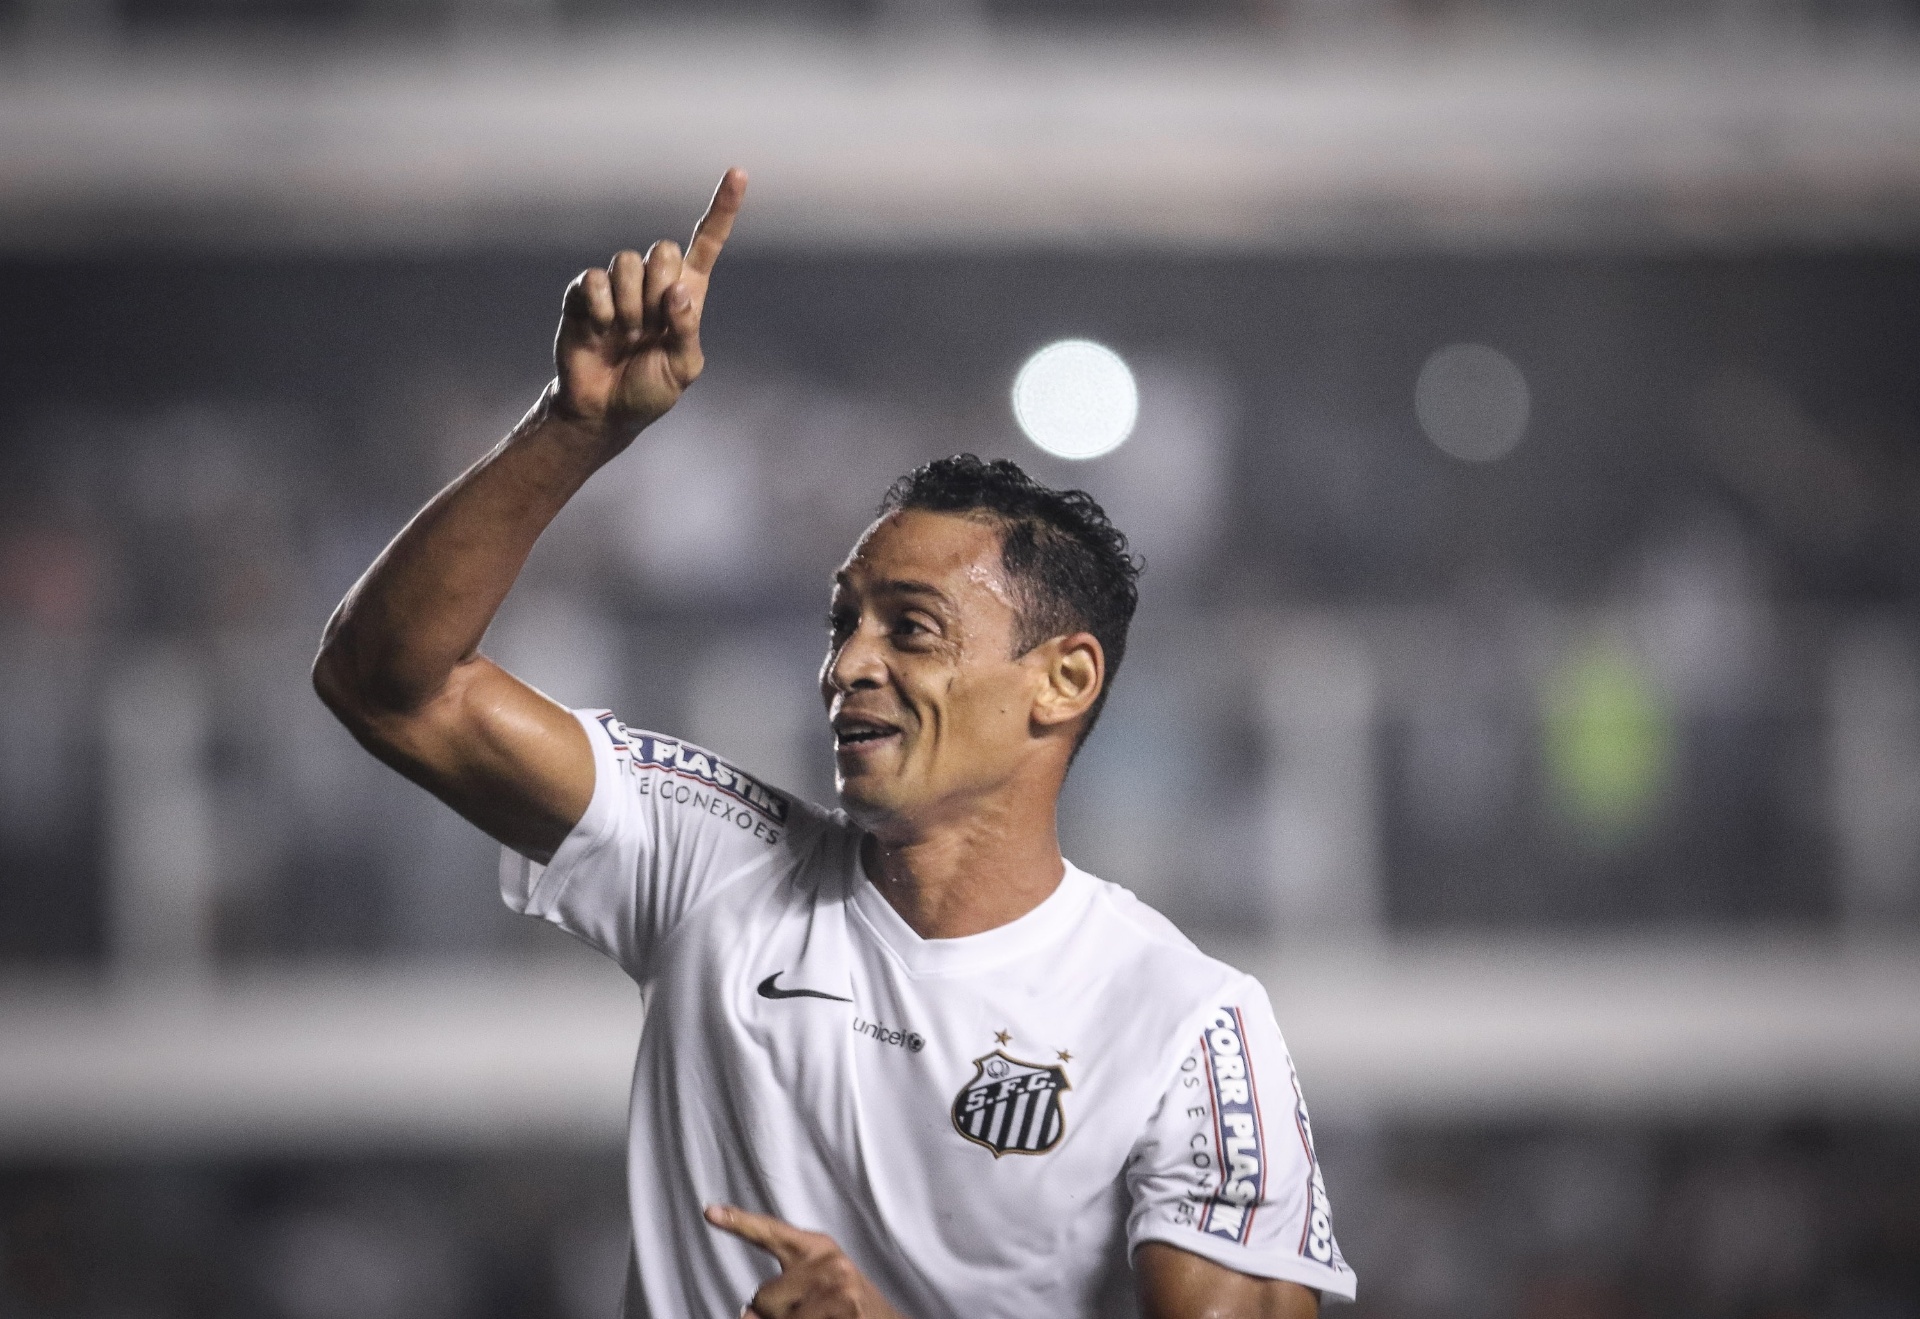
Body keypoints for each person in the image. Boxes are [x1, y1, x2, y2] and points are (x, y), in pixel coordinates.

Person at [313, 168, 1356, 1319]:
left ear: (1062, 681)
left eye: (910, 628)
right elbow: (389, 685)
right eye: (840, 622)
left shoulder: (1183, 1020)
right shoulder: (706, 854)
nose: (848, 662)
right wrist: (574, 430)